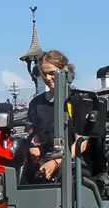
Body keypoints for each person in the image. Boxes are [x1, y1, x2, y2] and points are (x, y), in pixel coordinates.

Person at [19, 49, 92, 183]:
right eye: (44, 74)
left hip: (73, 165)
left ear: (65, 72)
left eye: (52, 73)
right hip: (43, 163)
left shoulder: (79, 101)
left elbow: (81, 143)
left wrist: (55, 162)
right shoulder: (36, 104)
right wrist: (36, 157)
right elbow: (33, 139)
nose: (48, 78)